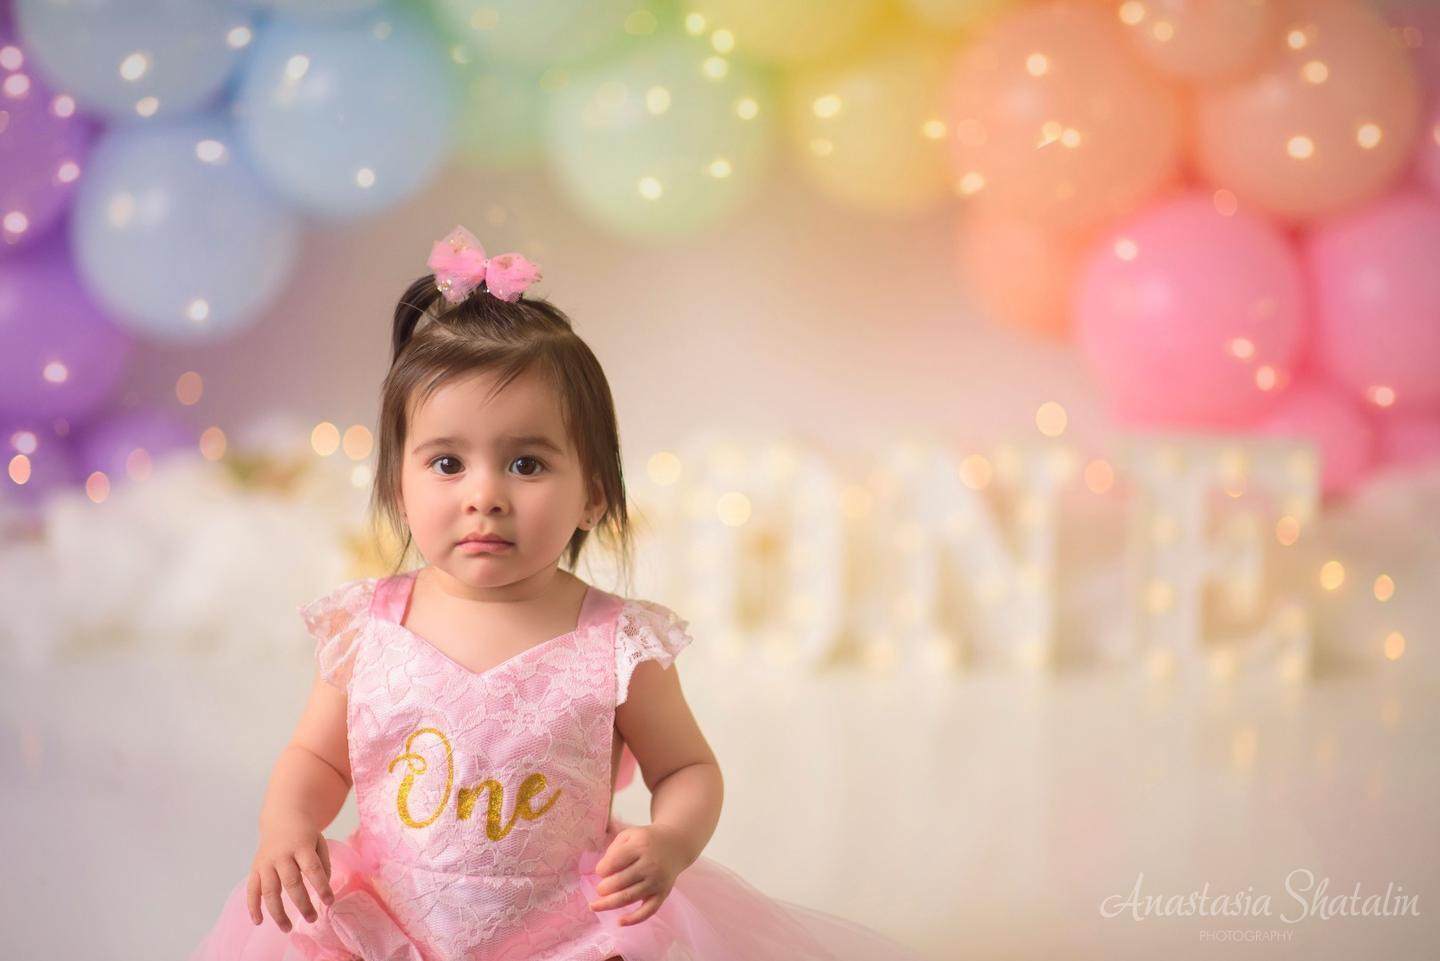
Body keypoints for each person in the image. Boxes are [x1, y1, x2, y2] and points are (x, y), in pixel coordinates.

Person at [189, 226, 932, 961]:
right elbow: (317, 759)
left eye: (527, 464)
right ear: (396, 484)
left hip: (568, 931)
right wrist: (287, 826)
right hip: (386, 918)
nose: (485, 494)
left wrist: (669, 839)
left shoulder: (614, 643)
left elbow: (687, 770)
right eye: (447, 462)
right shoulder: (368, 628)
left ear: (594, 495)